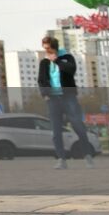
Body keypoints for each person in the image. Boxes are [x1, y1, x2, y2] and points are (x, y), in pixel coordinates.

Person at [38, 36, 94, 169]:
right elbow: (41, 79)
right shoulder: (44, 62)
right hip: (52, 99)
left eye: (48, 48)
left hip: (68, 97)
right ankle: (61, 159)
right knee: (56, 131)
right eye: (44, 48)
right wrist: (45, 94)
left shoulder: (67, 57)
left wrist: (56, 60)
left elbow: (71, 70)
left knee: (78, 126)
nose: (46, 51)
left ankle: (87, 156)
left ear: (54, 47)